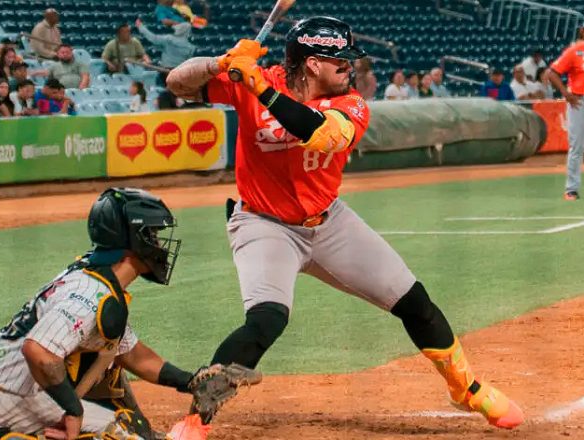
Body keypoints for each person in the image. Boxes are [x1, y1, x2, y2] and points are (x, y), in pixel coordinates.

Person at [166, 15, 524, 430]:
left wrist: (257, 86)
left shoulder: (349, 102)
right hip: (264, 224)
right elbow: (178, 82)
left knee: (415, 303)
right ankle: (196, 420)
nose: (350, 68)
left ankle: (467, 390)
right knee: (267, 319)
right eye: (340, 61)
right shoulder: (253, 77)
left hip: (329, 222)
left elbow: (320, 134)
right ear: (313, 63)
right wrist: (220, 62)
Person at [0, 188, 232, 440]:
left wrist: (190, 381)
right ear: (134, 241)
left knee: (128, 416)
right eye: (153, 235)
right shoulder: (92, 294)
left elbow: (130, 353)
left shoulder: (93, 275)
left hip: (3, 390)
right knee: (123, 433)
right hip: (5, 399)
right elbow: (38, 352)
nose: (159, 244)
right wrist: (73, 409)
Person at [547, 27, 584, 201]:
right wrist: (565, 93)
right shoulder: (574, 51)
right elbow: (552, 73)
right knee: (576, 146)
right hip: (579, 101)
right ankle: (571, 189)